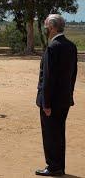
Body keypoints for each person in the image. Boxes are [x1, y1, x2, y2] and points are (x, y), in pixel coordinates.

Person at [35, 14, 78, 177]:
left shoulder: (53, 47)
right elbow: (73, 75)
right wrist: (69, 95)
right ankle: (59, 166)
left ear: (52, 27)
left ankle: (53, 167)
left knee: (51, 135)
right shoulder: (71, 46)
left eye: (46, 26)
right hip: (64, 100)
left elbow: (48, 78)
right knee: (59, 134)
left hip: (51, 102)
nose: (45, 29)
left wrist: (46, 103)